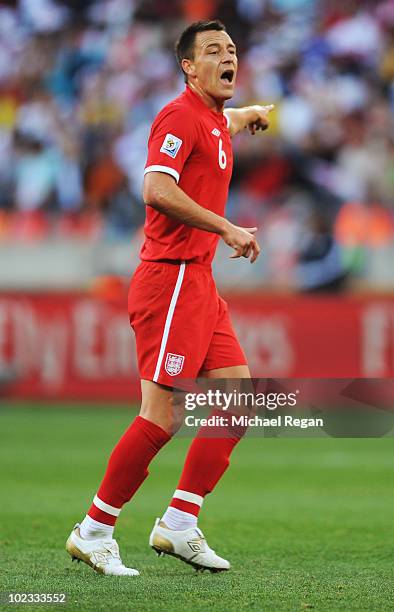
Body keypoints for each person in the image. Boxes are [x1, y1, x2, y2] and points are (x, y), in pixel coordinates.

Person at [66, 19, 273, 576]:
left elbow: (217, 123)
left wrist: (246, 115)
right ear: (188, 66)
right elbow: (155, 188)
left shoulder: (209, 117)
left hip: (199, 281)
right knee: (163, 414)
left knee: (237, 398)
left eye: (232, 49)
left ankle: (179, 523)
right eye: (213, 51)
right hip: (172, 277)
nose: (227, 57)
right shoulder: (179, 115)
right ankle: (94, 529)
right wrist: (226, 226)